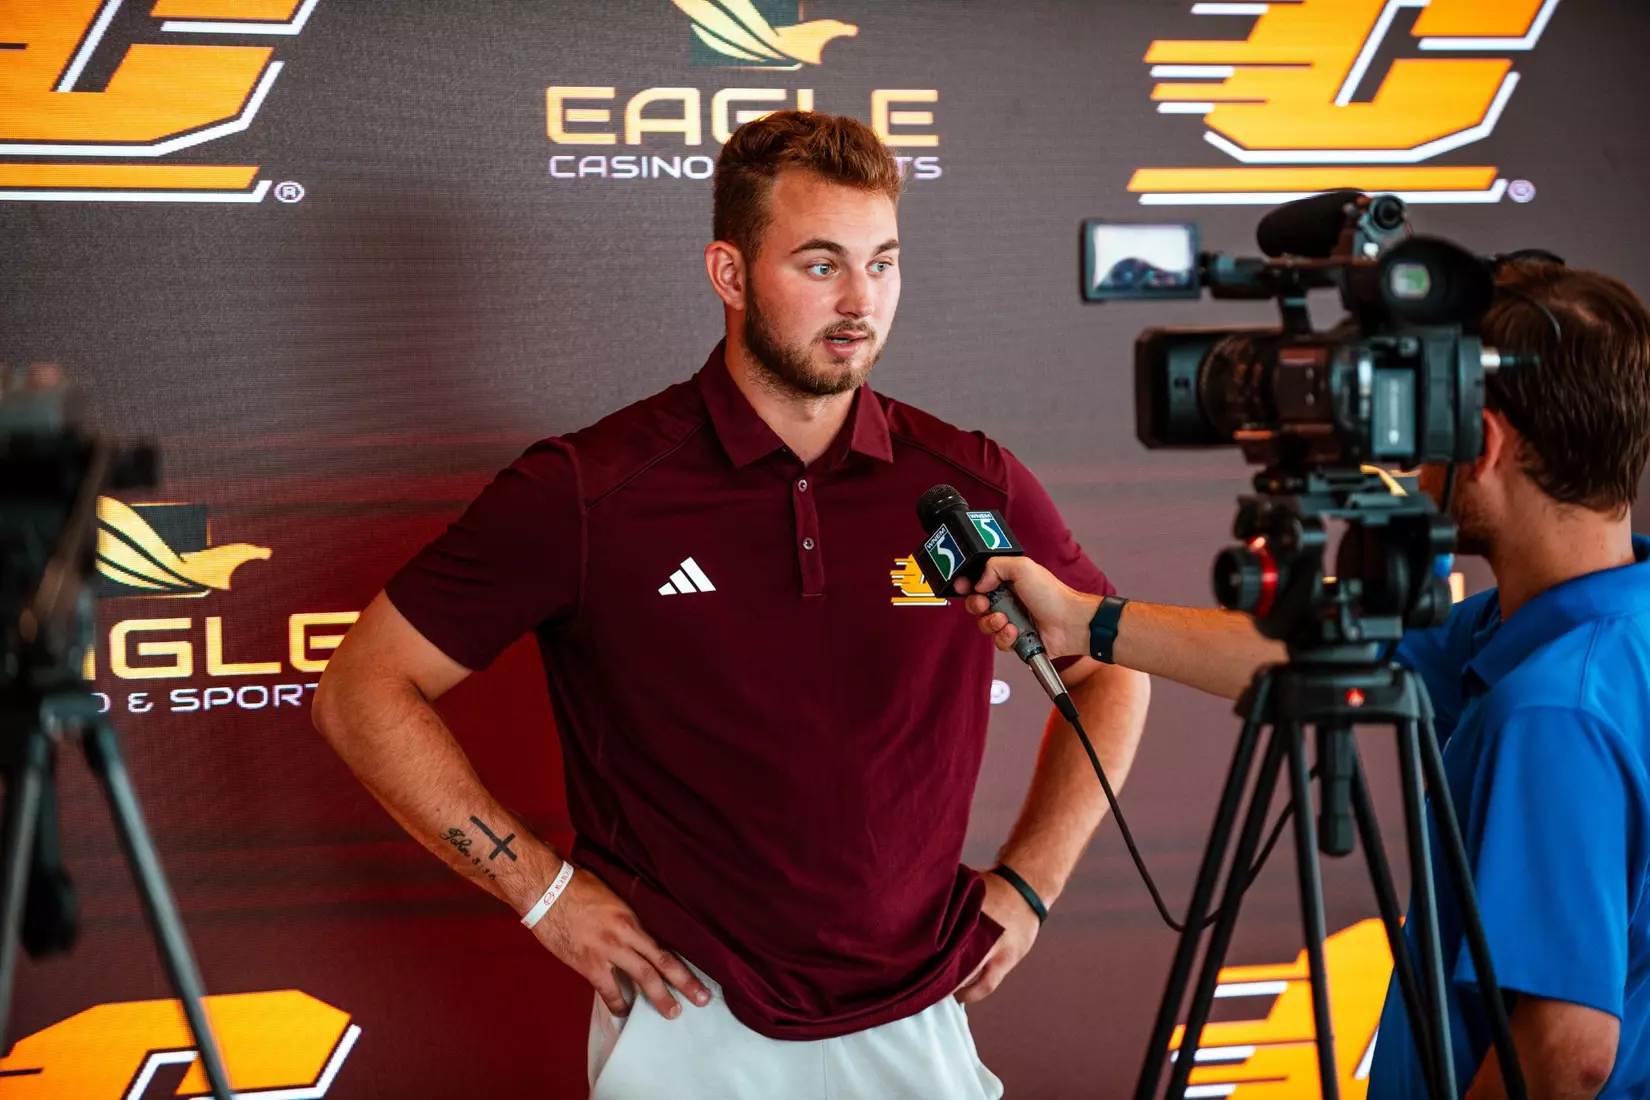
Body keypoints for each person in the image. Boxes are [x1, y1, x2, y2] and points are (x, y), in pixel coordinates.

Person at [311, 110, 1150, 1099]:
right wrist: (543, 893)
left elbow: (1112, 665)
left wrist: (1031, 883)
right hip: (686, 1015)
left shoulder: (967, 481)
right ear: (730, 272)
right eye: (821, 264)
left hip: (920, 1005)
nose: (860, 301)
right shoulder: (591, 487)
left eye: (882, 263)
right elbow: (363, 689)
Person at [959, 256, 1650, 1098]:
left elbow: (1568, 1058)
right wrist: (1084, 621)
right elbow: (1322, 651)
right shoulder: (1582, 629)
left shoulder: (1551, 706)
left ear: (1483, 442)